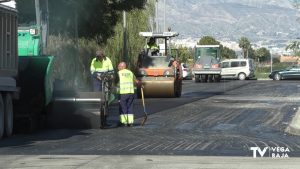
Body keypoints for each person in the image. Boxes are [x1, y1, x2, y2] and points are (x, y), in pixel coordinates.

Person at [117, 62, 140, 127]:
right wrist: (141, 85)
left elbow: (116, 83)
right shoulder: (130, 72)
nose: (118, 68)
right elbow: (136, 81)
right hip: (131, 93)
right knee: (130, 107)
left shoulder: (119, 73)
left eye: (119, 66)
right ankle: (130, 122)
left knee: (123, 107)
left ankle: (124, 122)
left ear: (123, 67)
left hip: (123, 93)